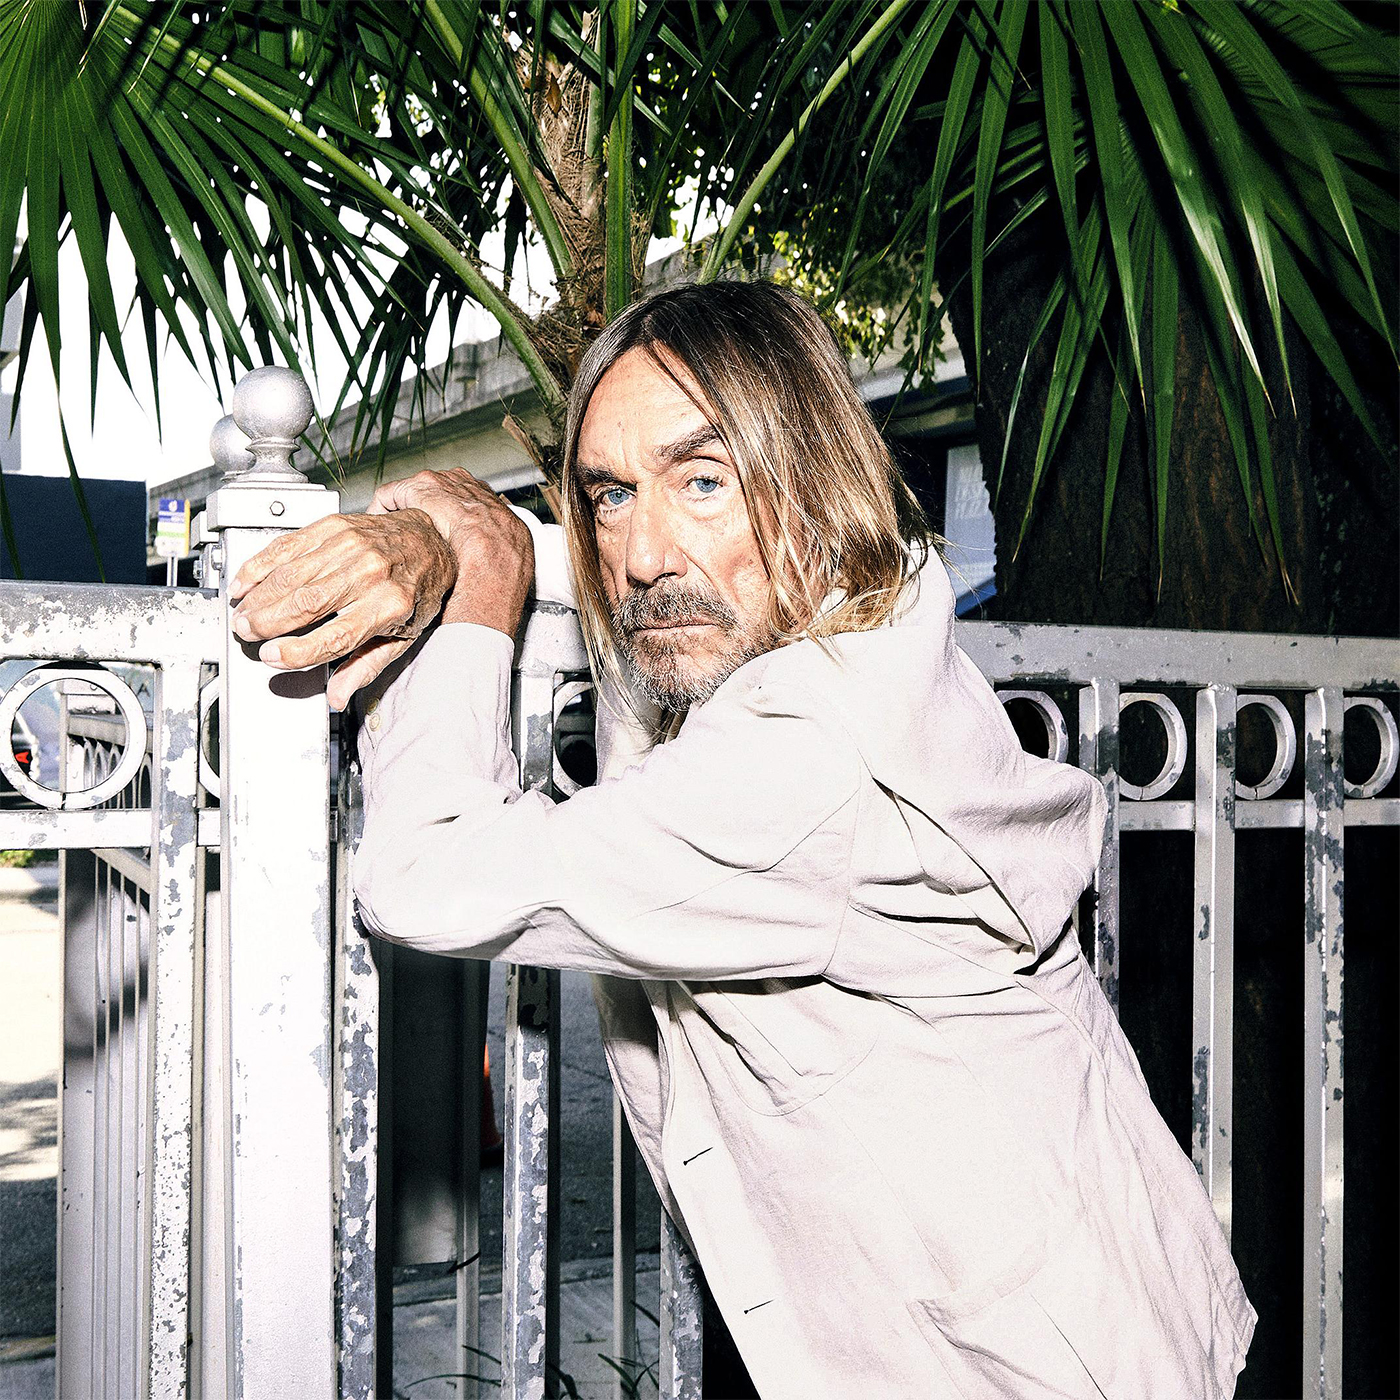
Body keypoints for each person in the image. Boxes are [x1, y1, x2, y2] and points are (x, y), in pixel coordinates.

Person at [229, 280, 1256, 1398]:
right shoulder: (874, 610)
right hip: (1091, 1303)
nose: (644, 554)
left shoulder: (804, 758)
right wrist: (454, 534)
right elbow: (651, 572)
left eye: (703, 479)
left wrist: (479, 589)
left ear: (813, 478)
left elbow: (422, 877)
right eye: (611, 494)